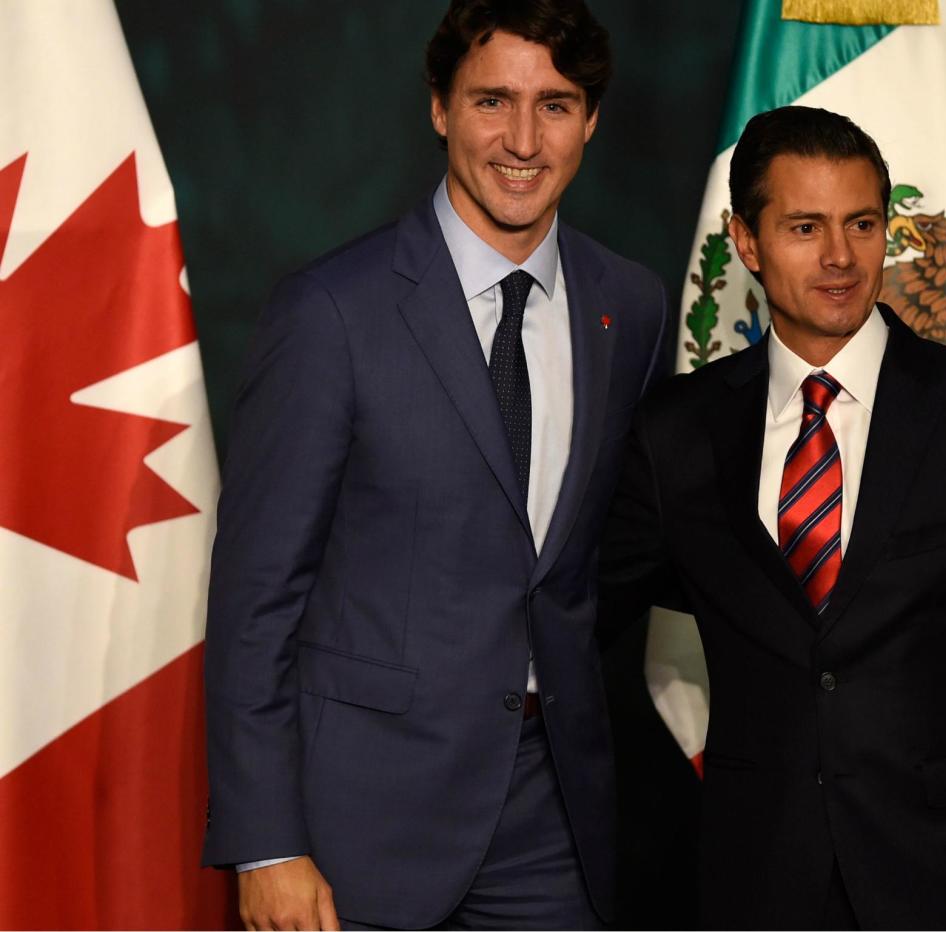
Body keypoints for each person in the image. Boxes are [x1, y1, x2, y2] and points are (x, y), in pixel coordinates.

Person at [600, 106, 946, 930]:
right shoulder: (678, 432)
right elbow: (574, 612)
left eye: (863, 224)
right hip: (757, 888)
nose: (840, 257)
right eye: (805, 227)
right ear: (746, 242)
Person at [201, 2, 668, 928]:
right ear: (440, 109)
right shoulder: (332, 312)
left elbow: (602, 565)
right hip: (354, 831)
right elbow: (256, 601)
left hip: (554, 823)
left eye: (557, 104)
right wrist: (268, 842)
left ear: (592, 120)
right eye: (493, 100)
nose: (524, 140)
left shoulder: (631, 305)